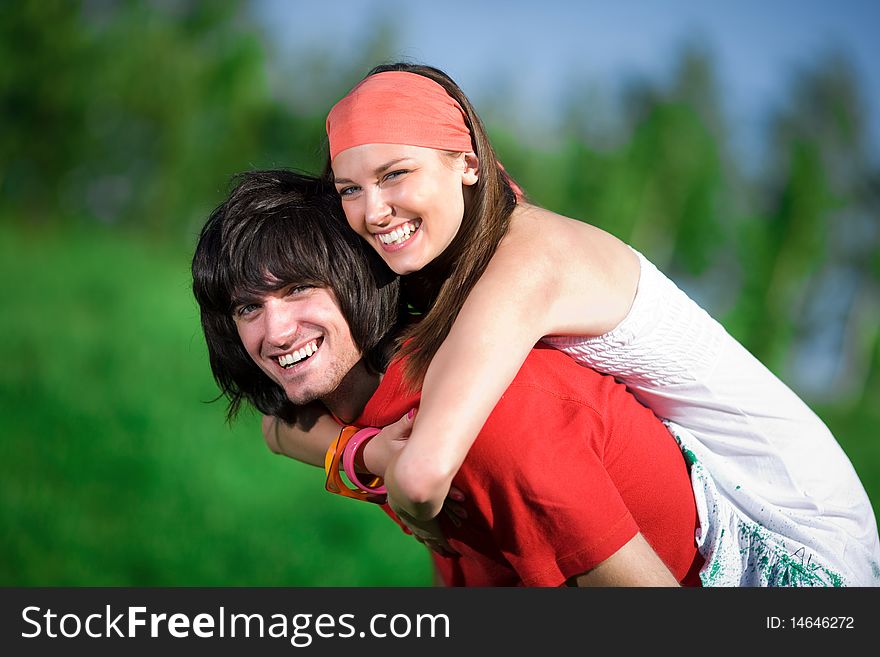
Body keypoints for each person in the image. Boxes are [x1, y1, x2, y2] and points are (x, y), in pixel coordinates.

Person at [270, 62, 880, 586]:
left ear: (467, 163)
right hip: (692, 488)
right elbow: (280, 422)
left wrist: (391, 475)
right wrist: (365, 454)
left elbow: (425, 474)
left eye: (395, 174)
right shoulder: (442, 260)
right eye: (350, 189)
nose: (372, 211)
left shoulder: (528, 261)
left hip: (786, 516)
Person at [191, 168, 705, 586]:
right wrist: (364, 455)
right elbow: (278, 427)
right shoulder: (367, 405)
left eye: (300, 288)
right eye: (248, 308)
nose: (277, 333)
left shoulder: (484, 423)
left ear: (361, 278)